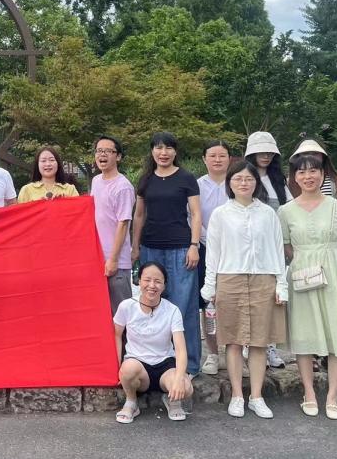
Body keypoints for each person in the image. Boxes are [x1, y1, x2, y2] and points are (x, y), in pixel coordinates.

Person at [279, 152, 337, 420]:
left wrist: (330, 262)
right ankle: (308, 392)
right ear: (294, 177)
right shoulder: (285, 211)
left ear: (322, 174)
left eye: (313, 171)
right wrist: (307, 263)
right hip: (302, 275)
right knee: (304, 333)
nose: (308, 176)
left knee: (336, 332)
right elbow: (287, 247)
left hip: (336, 275)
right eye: (302, 172)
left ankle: (332, 395)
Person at [202, 161, 288, 419]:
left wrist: (281, 283)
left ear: (256, 183)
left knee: (260, 340)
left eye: (249, 179)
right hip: (230, 279)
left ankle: (257, 397)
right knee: (233, 340)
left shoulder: (268, 214)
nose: (243, 183)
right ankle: (237, 395)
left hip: (263, 279)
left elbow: (277, 249)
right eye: (238, 178)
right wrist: (210, 284)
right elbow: (213, 253)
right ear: (230, 182)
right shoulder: (220, 214)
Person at [132, 132, 202, 376]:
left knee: (183, 307)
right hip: (151, 248)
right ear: (152, 151)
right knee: (153, 305)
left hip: (181, 249)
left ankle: (190, 365)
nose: (164, 153)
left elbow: (196, 214)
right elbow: (139, 215)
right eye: (159, 148)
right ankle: (157, 360)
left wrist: (194, 245)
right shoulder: (145, 180)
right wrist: (135, 246)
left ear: (175, 151)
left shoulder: (186, 178)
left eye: (169, 148)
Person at [113, 261, 193, 423]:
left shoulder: (172, 310)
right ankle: (131, 401)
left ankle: (172, 399)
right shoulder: (126, 306)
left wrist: (179, 378)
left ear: (164, 285)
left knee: (187, 388)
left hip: (165, 365)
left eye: (157, 281)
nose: (152, 285)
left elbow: (180, 349)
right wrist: (117, 366)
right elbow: (116, 335)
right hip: (138, 365)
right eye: (147, 280)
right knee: (127, 369)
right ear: (139, 281)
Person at [244, 131, 291, 370]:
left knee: (273, 300)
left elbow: (289, 210)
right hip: (250, 249)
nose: (265, 156)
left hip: (275, 249)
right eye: (261, 151)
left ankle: (270, 347)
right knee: (249, 300)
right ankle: (249, 345)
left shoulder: (278, 180)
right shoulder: (245, 178)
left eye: (270, 152)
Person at [87, 137, 134, 314]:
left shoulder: (123, 186)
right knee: (101, 313)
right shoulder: (96, 181)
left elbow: (123, 224)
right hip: (97, 259)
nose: (102, 155)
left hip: (117, 263)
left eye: (108, 151)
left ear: (118, 156)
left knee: (121, 314)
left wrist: (113, 259)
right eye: (99, 151)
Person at [197, 141, 230, 375]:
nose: (217, 160)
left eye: (222, 155)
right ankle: (213, 353)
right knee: (208, 303)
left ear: (229, 158)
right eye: (212, 155)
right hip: (204, 248)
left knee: (233, 303)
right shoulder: (197, 185)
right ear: (204, 159)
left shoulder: (237, 182)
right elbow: (192, 216)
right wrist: (209, 240)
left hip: (234, 252)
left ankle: (234, 353)